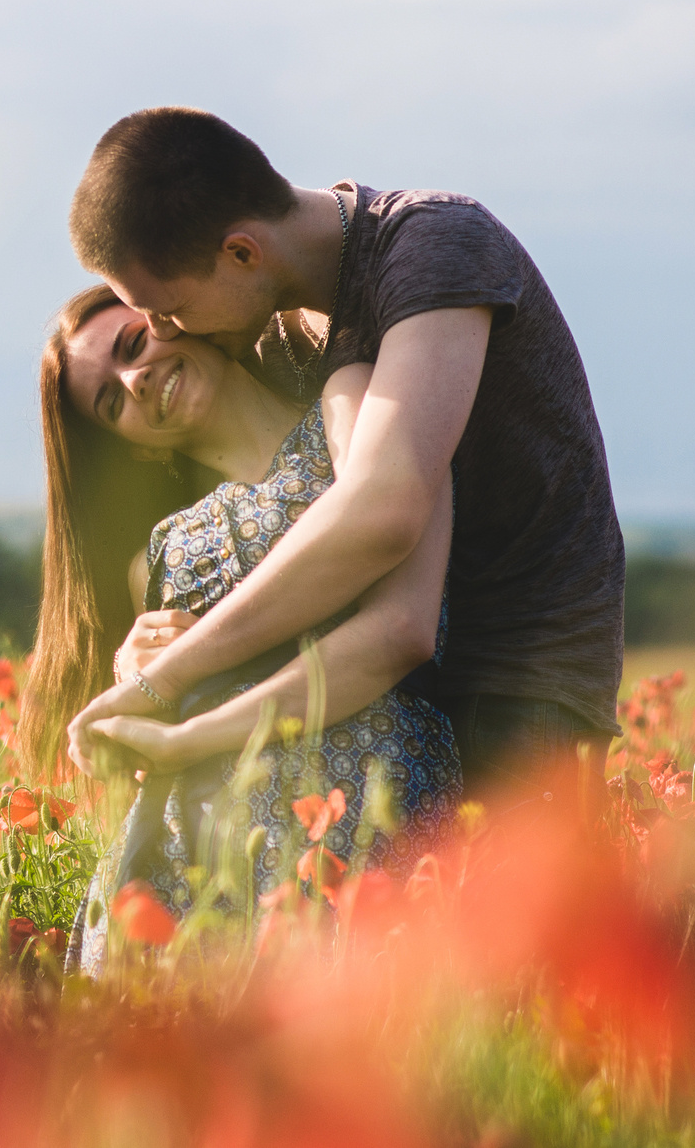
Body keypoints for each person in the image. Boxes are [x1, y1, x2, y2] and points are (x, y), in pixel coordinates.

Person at [61, 107, 626, 794]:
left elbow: (379, 511)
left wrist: (169, 677)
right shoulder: (278, 332)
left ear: (241, 252)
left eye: (169, 311)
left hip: (519, 680)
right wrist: (150, 642)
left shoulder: (434, 248)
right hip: (384, 698)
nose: (166, 332)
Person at [24, 284, 461, 971]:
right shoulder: (160, 557)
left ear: (173, 318)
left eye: (133, 344)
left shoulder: (353, 409)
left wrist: (185, 734)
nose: (135, 381)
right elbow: (155, 720)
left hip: (366, 819)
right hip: (194, 873)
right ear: (134, 448)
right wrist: (133, 680)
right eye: (112, 404)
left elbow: (402, 632)